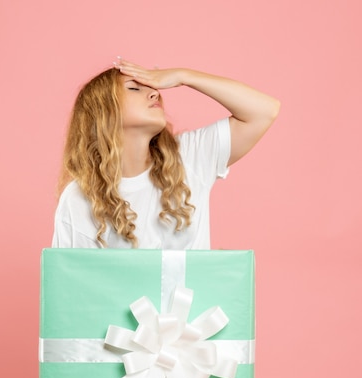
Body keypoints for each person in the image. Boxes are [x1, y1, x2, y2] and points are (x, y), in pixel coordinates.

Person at [52, 57, 280, 249]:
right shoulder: (79, 198)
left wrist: (183, 76)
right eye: (134, 88)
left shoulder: (190, 156)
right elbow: (72, 286)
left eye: (154, 89)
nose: (154, 94)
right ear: (104, 112)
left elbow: (264, 111)